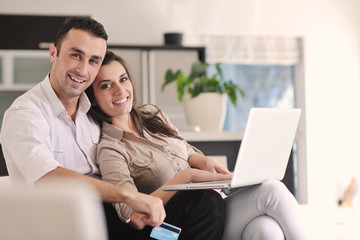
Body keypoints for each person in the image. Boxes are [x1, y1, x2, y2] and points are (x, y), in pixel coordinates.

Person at [86, 51, 308, 240]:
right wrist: (185, 178)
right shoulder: (110, 148)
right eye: (106, 85)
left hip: (214, 207)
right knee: (272, 190)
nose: (119, 90)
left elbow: (183, 148)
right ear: (93, 98)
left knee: (266, 230)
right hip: (182, 227)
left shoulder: (152, 114)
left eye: (123, 79)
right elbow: (131, 215)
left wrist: (201, 160)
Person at [0, 17, 165, 235]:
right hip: (61, 227)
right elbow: (46, 177)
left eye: (94, 60)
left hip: (114, 219)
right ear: (53, 53)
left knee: (178, 228)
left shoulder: (95, 113)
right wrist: (128, 196)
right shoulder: (26, 113)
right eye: (76, 55)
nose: (82, 69)